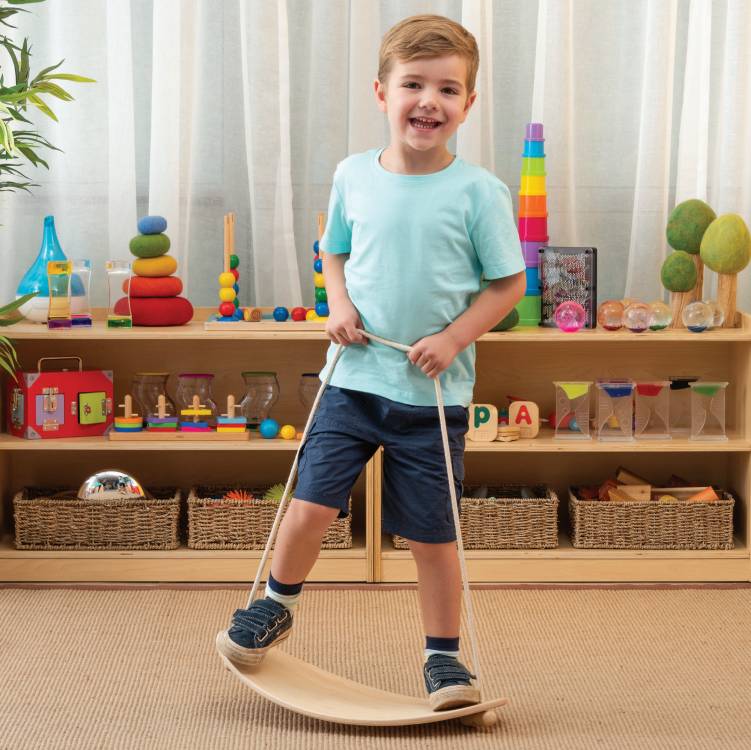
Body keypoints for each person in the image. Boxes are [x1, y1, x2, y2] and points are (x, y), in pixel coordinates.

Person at [217, 14, 526, 711]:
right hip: (352, 382)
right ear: (381, 92)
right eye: (412, 84)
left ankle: (444, 658)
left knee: (430, 537)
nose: (428, 101)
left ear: (467, 105)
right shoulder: (352, 174)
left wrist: (452, 339)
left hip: (431, 396)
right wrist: (337, 305)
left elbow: (508, 285)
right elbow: (332, 249)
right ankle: (275, 604)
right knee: (308, 506)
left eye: (447, 89)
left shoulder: (479, 191)